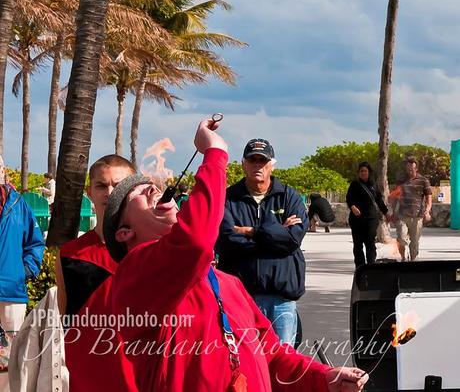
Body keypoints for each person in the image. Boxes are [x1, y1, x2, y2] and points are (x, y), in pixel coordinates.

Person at [103, 120, 368, 392]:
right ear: (124, 233)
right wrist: (215, 154)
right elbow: (198, 240)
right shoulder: (135, 273)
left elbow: (272, 355)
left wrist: (325, 376)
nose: (152, 189)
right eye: (137, 192)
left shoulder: (228, 284)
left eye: (155, 188)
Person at [55, 155, 138, 391]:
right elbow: (65, 317)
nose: (109, 192)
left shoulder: (148, 251)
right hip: (88, 372)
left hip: (139, 369)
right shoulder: (69, 254)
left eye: (118, 185)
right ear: (89, 192)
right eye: (101, 185)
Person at [216, 138, 308, 346]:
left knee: (284, 365)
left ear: (271, 164)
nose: (257, 165)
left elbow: (293, 238)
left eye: (262, 160)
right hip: (241, 299)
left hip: (281, 301)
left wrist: (251, 231)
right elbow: (227, 240)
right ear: (243, 164)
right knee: (245, 363)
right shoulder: (228, 199)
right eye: (252, 160)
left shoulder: (288, 196)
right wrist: (276, 235)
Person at [0, 155, 45, 390]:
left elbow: (35, 243)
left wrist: (24, 271)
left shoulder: (19, 205)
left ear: (3, 170)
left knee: (11, 357)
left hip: (11, 293)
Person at [346, 162, 389, 268]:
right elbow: (349, 198)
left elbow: (379, 201)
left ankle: (371, 265)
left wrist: (386, 212)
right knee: (358, 244)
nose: (363, 173)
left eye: (365, 171)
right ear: (358, 173)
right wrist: (352, 207)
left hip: (371, 219)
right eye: (361, 171)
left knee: (370, 241)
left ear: (369, 172)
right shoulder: (354, 184)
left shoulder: (374, 185)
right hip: (356, 219)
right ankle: (360, 267)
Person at [393, 156, 432, 261]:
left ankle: (413, 261)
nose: (410, 171)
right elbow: (395, 197)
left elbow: (429, 199)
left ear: (416, 169)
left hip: (417, 217)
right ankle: (403, 258)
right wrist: (393, 212)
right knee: (401, 238)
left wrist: (427, 211)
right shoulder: (401, 180)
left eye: (412, 169)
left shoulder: (424, 181)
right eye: (408, 169)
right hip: (402, 215)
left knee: (414, 243)